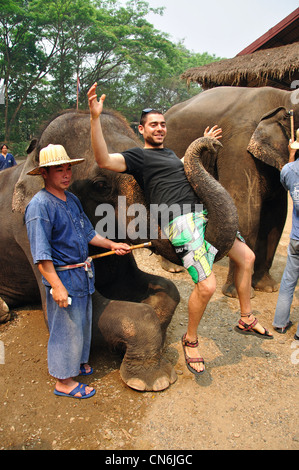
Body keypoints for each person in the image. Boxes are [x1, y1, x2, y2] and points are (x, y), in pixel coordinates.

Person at [87, 82, 273, 376]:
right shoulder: (138, 156)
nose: (159, 129)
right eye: (153, 125)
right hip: (180, 223)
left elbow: (185, 165)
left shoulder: (171, 155)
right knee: (207, 285)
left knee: (247, 258)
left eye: (162, 124)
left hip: (205, 215)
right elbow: (104, 160)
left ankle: (246, 317)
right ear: (141, 129)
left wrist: (201, 141)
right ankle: (191, 339)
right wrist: (95, 118)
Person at [25, 143, 131, 398]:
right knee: (65, 328)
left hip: (81, 275)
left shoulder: (71, 199)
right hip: (62, 276)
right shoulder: (40, 207)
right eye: (59, 170)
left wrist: (112, 244)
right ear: (44, 174)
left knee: (80, 324)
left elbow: (87, 232)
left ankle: (76, 364)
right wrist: (57, 287)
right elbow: (41, 255)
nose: (66, 174)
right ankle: (63, 380)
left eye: (68, 169)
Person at [273, 139, 299, 341]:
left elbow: (285, 179)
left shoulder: (290, 170)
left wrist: (292, 154)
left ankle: (280, 323)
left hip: (296, 239)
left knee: (288, 281)